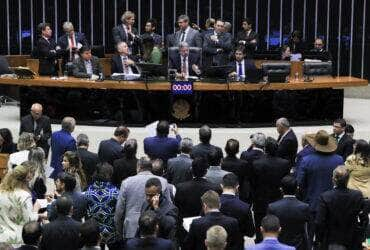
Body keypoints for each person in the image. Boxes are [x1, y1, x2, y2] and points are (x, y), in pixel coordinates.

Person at [297, 130, 343, 242]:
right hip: (332, 204)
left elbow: (300, 182)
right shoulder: (339, 159)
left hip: (311, 203)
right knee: (327, 238)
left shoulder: (306, 160)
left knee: (309, 235)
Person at [114, 157, 171, 239]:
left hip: (131, 229)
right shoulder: (163, 182)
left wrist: (119, 232)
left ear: (138, 167)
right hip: (155, 229)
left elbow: (119, 211)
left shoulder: (126, 183)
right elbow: (168, 207)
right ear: (151, 168)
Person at [315, 166, 368, 249]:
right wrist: (359, 235)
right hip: (352, 240)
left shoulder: (326, 196)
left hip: (331, 240)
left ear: (333, 179)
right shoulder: (357, 195)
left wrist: (319, 239)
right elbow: (364, 219)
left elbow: (319, 222)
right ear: (348, 180)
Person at [252, 137, 290, 243]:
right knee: (278, 231)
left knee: (260, 232)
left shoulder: (256, 163)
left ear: (265, 149)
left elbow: (253, 184)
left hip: (260, 201)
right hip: (278, 200)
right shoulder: (285, 164)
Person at [0, 163, 45, 245]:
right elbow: (30, 222)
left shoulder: (1, 191)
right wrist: (36, 209)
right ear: (25, 179)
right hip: (17, 238)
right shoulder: (24, 196)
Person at [267, 175, 310, 250]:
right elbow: (308, 230)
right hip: (298, 246)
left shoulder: (272, 207)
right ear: (297, 189)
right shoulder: (304, 207)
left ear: (281, 189)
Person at [85, 163, 121, 249]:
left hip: (95, 232)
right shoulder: (115, 192)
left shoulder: (88, 190)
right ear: (108, 175)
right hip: (111, 232)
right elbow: (119, 211)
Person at [220, 173, 255, 238]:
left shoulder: (213, 204)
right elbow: (250, 232)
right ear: (237, 187)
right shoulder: (245, 207)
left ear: (221, 186)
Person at [240, 132, 265, 202]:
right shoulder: (265, 156)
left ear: (253, 143)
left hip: (247, 189)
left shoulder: (245, 155)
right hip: (261, 190)